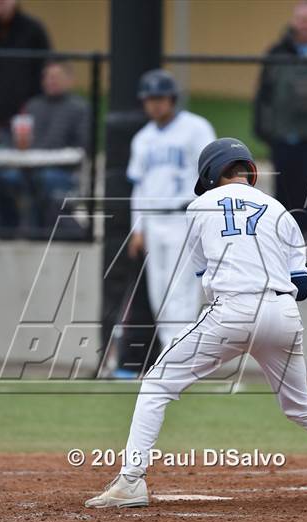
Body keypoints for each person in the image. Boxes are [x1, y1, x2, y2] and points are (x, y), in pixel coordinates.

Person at [85, 138, 307, 508]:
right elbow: (300, 286)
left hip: (232, 311)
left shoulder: (199, 206)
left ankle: (131, 480)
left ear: (213, 174)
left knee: (157, 384)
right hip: (282, 317)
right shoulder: (280, 212)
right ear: (247, 169)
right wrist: (296, 278)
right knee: (302, 406)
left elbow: (203, 269)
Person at [125, 69, 216, 353]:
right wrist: (137, 228)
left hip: (183, 216)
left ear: (172, 98)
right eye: (149, 98)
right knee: (159, 291)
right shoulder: (142, 138)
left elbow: (211, 174)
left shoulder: (196, 128)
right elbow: (138, 187)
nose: (154, 103)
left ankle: (181, 352)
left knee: (182, 289)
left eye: (160, 97)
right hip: (154, 219)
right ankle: (170, 351)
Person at [254, 1, 307, 237]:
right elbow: (264, 94)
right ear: (293, 22)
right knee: (284, 189)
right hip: (284, 135)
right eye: (300, 19)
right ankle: (283, 234)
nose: (304, 25)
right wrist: (264, 127)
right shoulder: (277, 53)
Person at [0, 0, 51, 235]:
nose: (0, 4)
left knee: (24, 178)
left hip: (23, 121)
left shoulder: (33, 30)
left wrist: (35, 113)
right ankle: (5, 228)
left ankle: (32, 229)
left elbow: (44, 71)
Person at [0, 60, 89, 236]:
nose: (50, 81)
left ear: (69, 80)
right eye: (47, 77)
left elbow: (83, 146)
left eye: (55, 77)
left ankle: (39, 231)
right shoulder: (32, 106)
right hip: (27, 167)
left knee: (44, 179)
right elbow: (18, 140)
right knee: (1, 177)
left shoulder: (79, 108)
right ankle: (6, 230)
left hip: (61, 170)